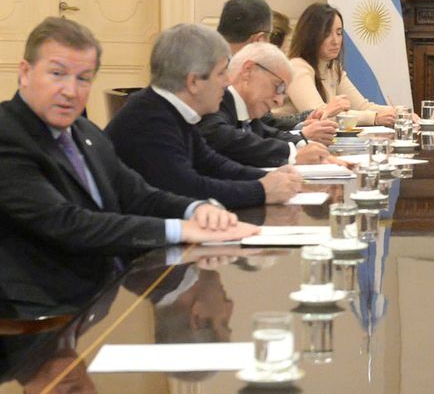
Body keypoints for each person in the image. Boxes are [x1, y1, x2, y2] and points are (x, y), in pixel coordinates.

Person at [0, 18, 257, 314]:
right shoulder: (8, 135)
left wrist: (197, 210)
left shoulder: (84, 131)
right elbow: (69, 224)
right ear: (25, 73)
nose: (70, 91)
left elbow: (138, 194)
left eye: (83, 78)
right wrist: (181, 229)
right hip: (45, 312)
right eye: (57, 74)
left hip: (107, 292)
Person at [106, 24, 303, 209]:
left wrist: (270, 177)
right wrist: (261, 190)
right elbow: (188, 188)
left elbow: (212, 164)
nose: (227, 82)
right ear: (193, 81)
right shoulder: (149, 119)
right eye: (221, 73)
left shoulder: (171, 110)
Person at [196, 43, 338, 168]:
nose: (280, 101)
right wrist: (293, 154)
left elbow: (269, 133)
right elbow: (227, 138)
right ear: (248, 70)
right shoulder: (214, 104)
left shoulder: (249, 116)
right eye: (278, 86)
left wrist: (307, 147)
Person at [274, 3, 397, 127]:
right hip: (287, 140)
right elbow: (319, 114)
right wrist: (374, 118)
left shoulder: (332, 67)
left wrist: (398, 113)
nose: (335, 41)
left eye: (339, 33)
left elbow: (362, 106)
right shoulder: (297, 67)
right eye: (327, 34)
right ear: (310, 36)